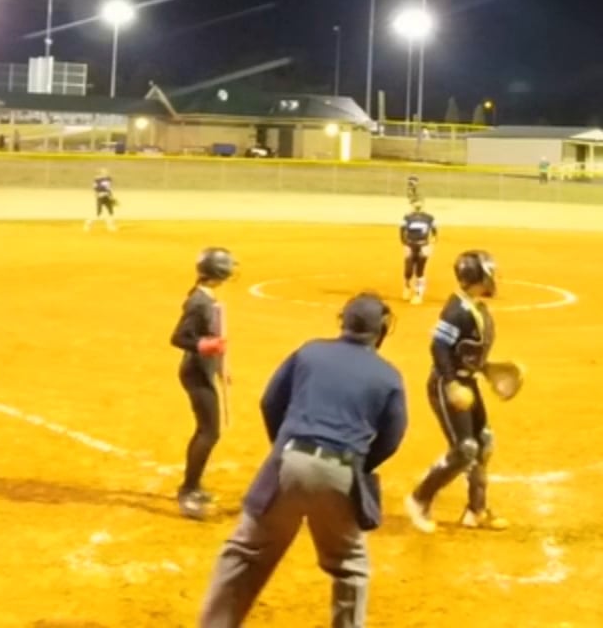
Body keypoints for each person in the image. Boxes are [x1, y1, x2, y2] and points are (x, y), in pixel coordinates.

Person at [196, 293, 407, 628]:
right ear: (380, 332)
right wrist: (358, 466)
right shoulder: (388, 376)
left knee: (246, 553)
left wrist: (285, 451)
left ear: (343, 322)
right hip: (341, 470)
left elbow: (270, 402)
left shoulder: (309, 351)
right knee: (349, 566)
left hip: (288, 463)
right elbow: (392, 437)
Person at [406, 251, 509, 533]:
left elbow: (465, 351)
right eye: (490, 273)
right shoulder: (457, 311)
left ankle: (476, 511)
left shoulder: (475, 307)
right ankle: (419, 499)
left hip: (467, 382)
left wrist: (486, 370)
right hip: (445, 384)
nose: (495, 279)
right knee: (465, 450)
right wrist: (452, 384)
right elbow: (439, 347)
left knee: (483, 441)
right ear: (478, 277)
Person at [171, 248, 237, 519]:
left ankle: (193, 486)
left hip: (203, 370)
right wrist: (204, 345)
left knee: (208, 430)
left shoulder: (207, 298)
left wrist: (221, 366)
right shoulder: (199, 302)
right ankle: (188, 490)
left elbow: (212, 337)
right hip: (195, 372)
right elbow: (178, 337)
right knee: (209, 432)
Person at [399, 203, 437, 305]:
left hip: (423, 245)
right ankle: (407, 286)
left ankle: (418, 294)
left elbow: (434, 232)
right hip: (410, 244)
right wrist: (405, 244)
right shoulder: (407, 217)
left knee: (420, 271)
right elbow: (401, 231)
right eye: (416, 206)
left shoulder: (429, 218)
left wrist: (430, 245)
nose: (418, 208)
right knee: (408, 269)